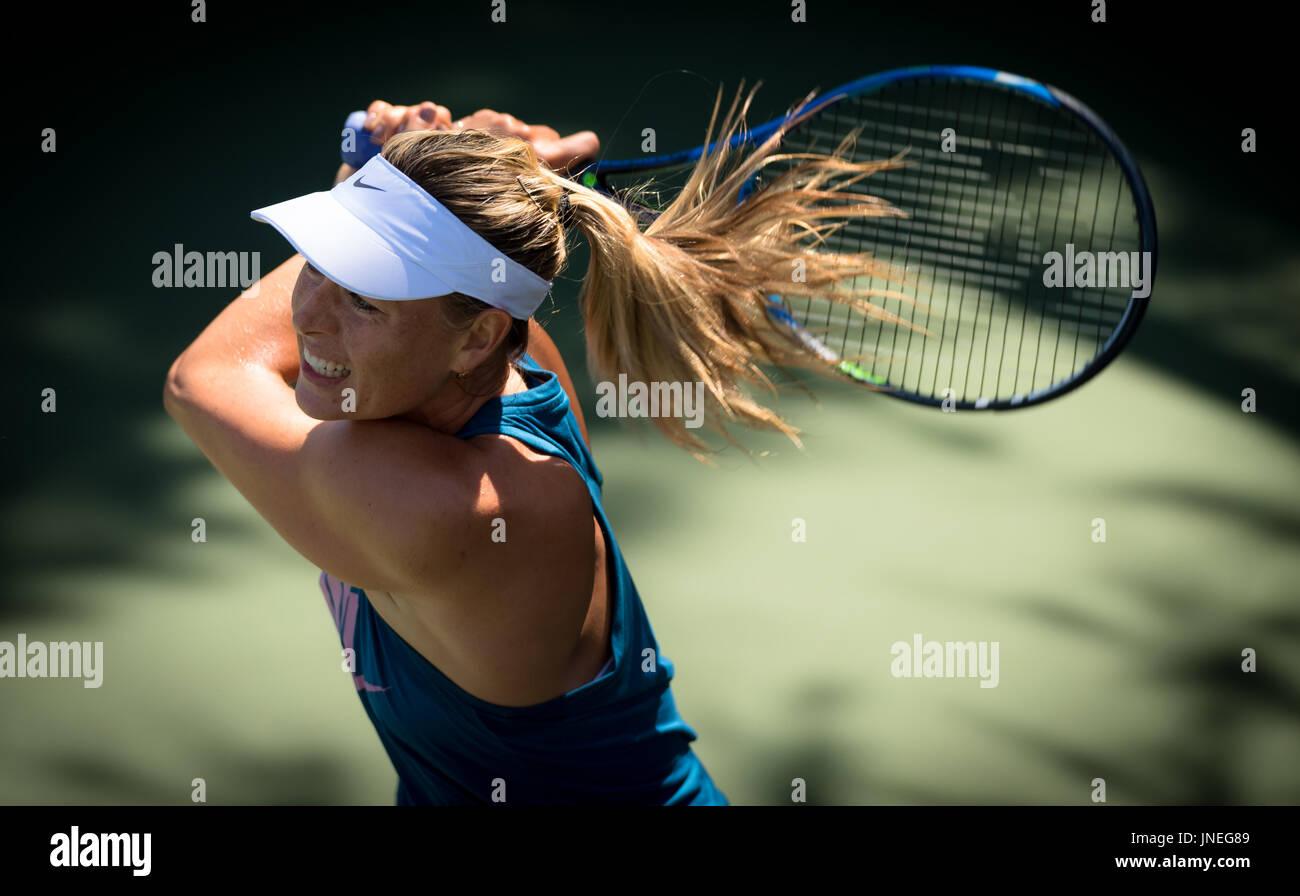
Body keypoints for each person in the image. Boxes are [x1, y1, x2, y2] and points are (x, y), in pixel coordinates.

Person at [163, 85, 903, 804]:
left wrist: (381, 176)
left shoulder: (437, 505)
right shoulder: (514, 356)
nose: (311, 317)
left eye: (363, 297)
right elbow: (335, 339)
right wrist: (411, 187)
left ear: (476, 335)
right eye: (317, 262)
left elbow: (203, 379)